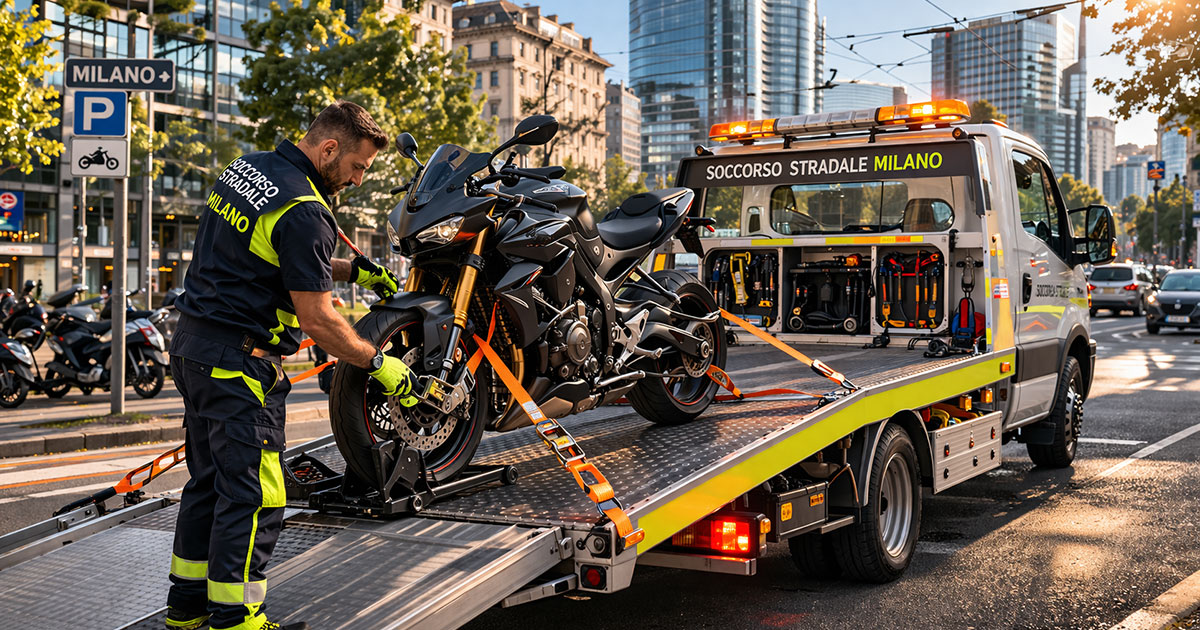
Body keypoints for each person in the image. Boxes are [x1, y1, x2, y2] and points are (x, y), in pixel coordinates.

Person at [165, 100, 417, 630]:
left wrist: (353, 269)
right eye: (357, 167)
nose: (357, 180)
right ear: (329, 149)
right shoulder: (306, 210)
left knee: (208, 484)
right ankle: (238, 618)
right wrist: (379, 363)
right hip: (238, 363)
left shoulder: (248, 168)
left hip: (192, 346)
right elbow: (319, 321)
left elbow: (263, 255)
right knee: (255, 496)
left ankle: (186, 610)